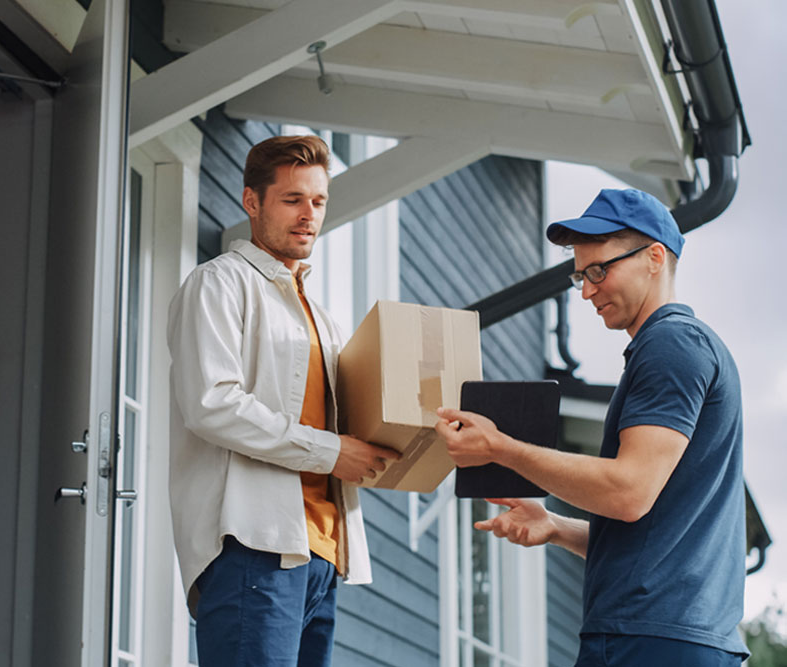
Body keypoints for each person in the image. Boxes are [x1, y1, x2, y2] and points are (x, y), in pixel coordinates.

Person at [436, 188, 749, 666]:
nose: (585, 290)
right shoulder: (683, 347)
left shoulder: (669, 346)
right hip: (678, 638)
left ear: (654, 257)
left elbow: (627, 493)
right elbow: (652, 530)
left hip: (649, 639)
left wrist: (500, 448)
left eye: (599, 270)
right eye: (580, 276)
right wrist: (555, 526)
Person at [167, 134, 399, 667]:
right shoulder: (218, 284)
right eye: (292, 199)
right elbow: (212, 403)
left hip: (322, 553)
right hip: (254, 544)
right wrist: (331, 452)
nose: (308, 215)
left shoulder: (322, 316)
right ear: (253, 202)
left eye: (317, 202)